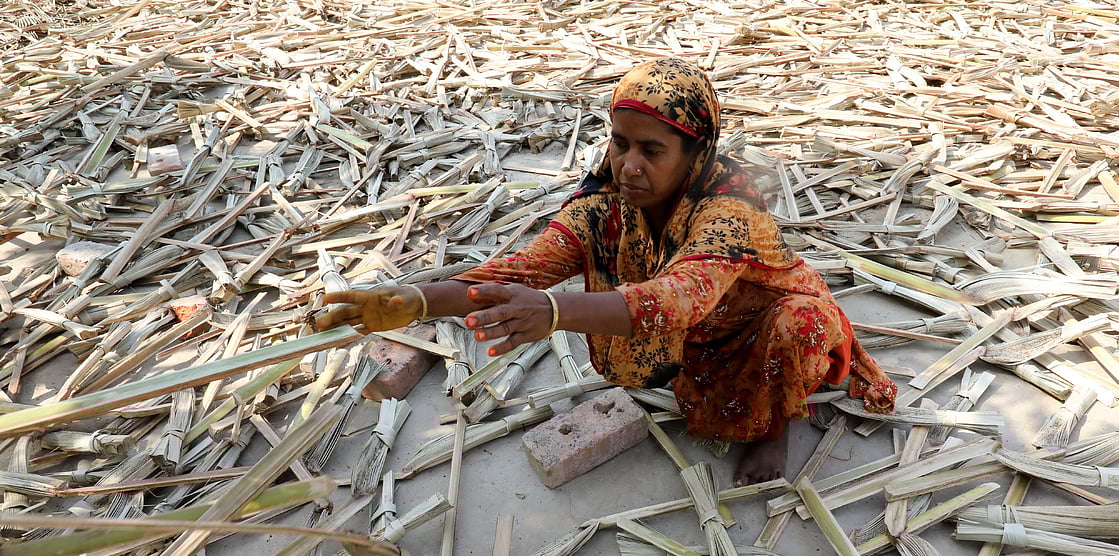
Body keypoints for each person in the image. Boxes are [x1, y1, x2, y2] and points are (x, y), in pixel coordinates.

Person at [316, 58, 896, 486]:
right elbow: (525, 269)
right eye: (619, 144)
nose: (629, 166)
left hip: (766, 321)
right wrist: (415, 302)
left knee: (799, 328)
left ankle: (775, 430)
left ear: (695, 155)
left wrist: (552, 314)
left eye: (651, 150)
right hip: (701, 329)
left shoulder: (731, 208)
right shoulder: (606, 203)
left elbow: (678, 300)